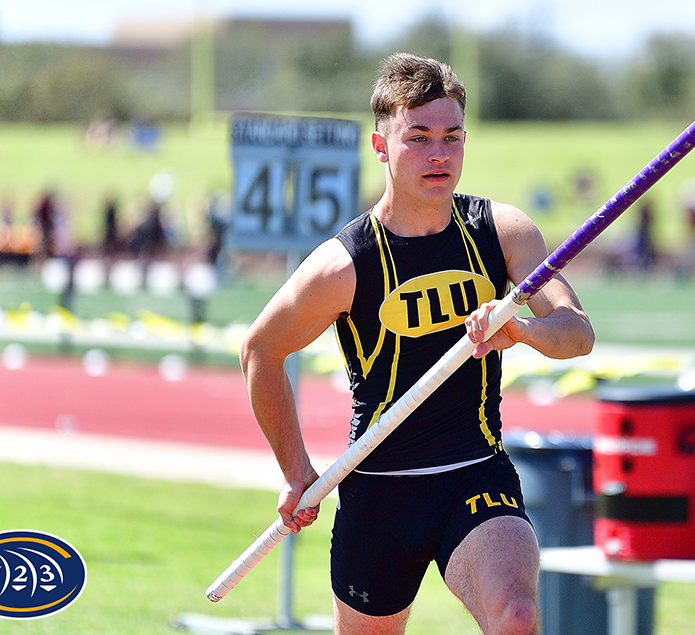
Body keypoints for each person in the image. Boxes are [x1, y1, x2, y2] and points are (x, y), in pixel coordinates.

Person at [239, 53, 594, 634]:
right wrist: (294, 470)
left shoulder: (501, 232)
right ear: (381, 146)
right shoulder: (344, 264)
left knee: (517, 614)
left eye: (452, 137)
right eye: (419, 137)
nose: (439, 154)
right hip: (379, 491)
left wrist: (522, 331)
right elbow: (260, 351)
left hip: (476, 474)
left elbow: (577, 333)